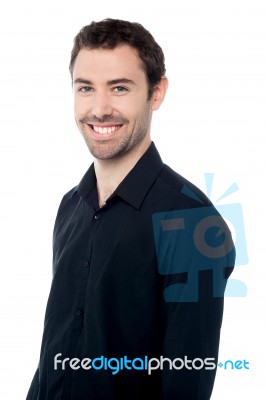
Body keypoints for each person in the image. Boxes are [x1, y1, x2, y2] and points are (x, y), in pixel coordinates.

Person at [26, 18, 235, 400]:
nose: (100, 108)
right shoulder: (69, 207)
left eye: (119, 88)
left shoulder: (194, 223)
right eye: (85, 88)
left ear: (156, 93)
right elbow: (53, 354)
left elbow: (186, 383)